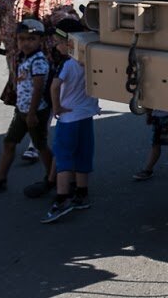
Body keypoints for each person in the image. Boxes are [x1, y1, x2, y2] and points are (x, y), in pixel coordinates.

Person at [0, 0, 75, 162]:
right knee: (25, 95)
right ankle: (27, 135)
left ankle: (36, 144)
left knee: (45, 96)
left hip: (50, 56)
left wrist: (63, 27)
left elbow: (70, 19)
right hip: (20, 57)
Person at [0, 19, 54, 191]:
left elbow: (38, 88)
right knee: (9, 142)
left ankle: (52, 178)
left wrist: (32, 113)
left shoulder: (38, 60)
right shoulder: (24, 58)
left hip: (36, 112)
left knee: (41, 146)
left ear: (40, 40)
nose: (26, 43)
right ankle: (0, 178)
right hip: (22, 111)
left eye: (31, 39)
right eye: (22, 39)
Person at [41, 18, 99, 223]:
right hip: (87, 115)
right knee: (84, 155)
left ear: (70, 43)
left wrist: (56, 107)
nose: (55, 46)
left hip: (69, 118)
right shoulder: (90, 62)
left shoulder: (66, 65)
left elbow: (54, 87)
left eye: (58, 42)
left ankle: (62, 199)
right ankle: (82, 195)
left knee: (64, 157)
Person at [132, 110, 168, 180]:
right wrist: (149, 115)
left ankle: (148, 170)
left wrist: (149, 116)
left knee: (159, 143)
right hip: (161, 118)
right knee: (160, 143)